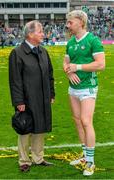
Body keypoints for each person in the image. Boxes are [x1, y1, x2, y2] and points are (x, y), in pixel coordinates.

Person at [9, 20, 55, 172]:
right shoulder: (17, 53)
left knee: (40, 128)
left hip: (42, 97)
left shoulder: (43, 51)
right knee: (25, 128)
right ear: (30, 34)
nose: (43, 34)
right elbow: (15, 80)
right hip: (27, 99)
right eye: (40, 31)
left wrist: (51, 94)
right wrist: (18, 101)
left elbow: (50, 75)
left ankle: (38, 158)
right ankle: (24, 160)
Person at [63, 10, 105, 176]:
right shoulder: (70, 42)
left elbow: (101, 64)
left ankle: (90, 162)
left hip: (88, 87)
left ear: (81, 21)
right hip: (73, 88)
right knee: (77, 121)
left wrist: (78, 67)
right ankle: (84, 156)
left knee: (86, 121)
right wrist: (69, 72)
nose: (68, 26)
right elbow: (66, 62)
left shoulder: (93, 40)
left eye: (70, 22)